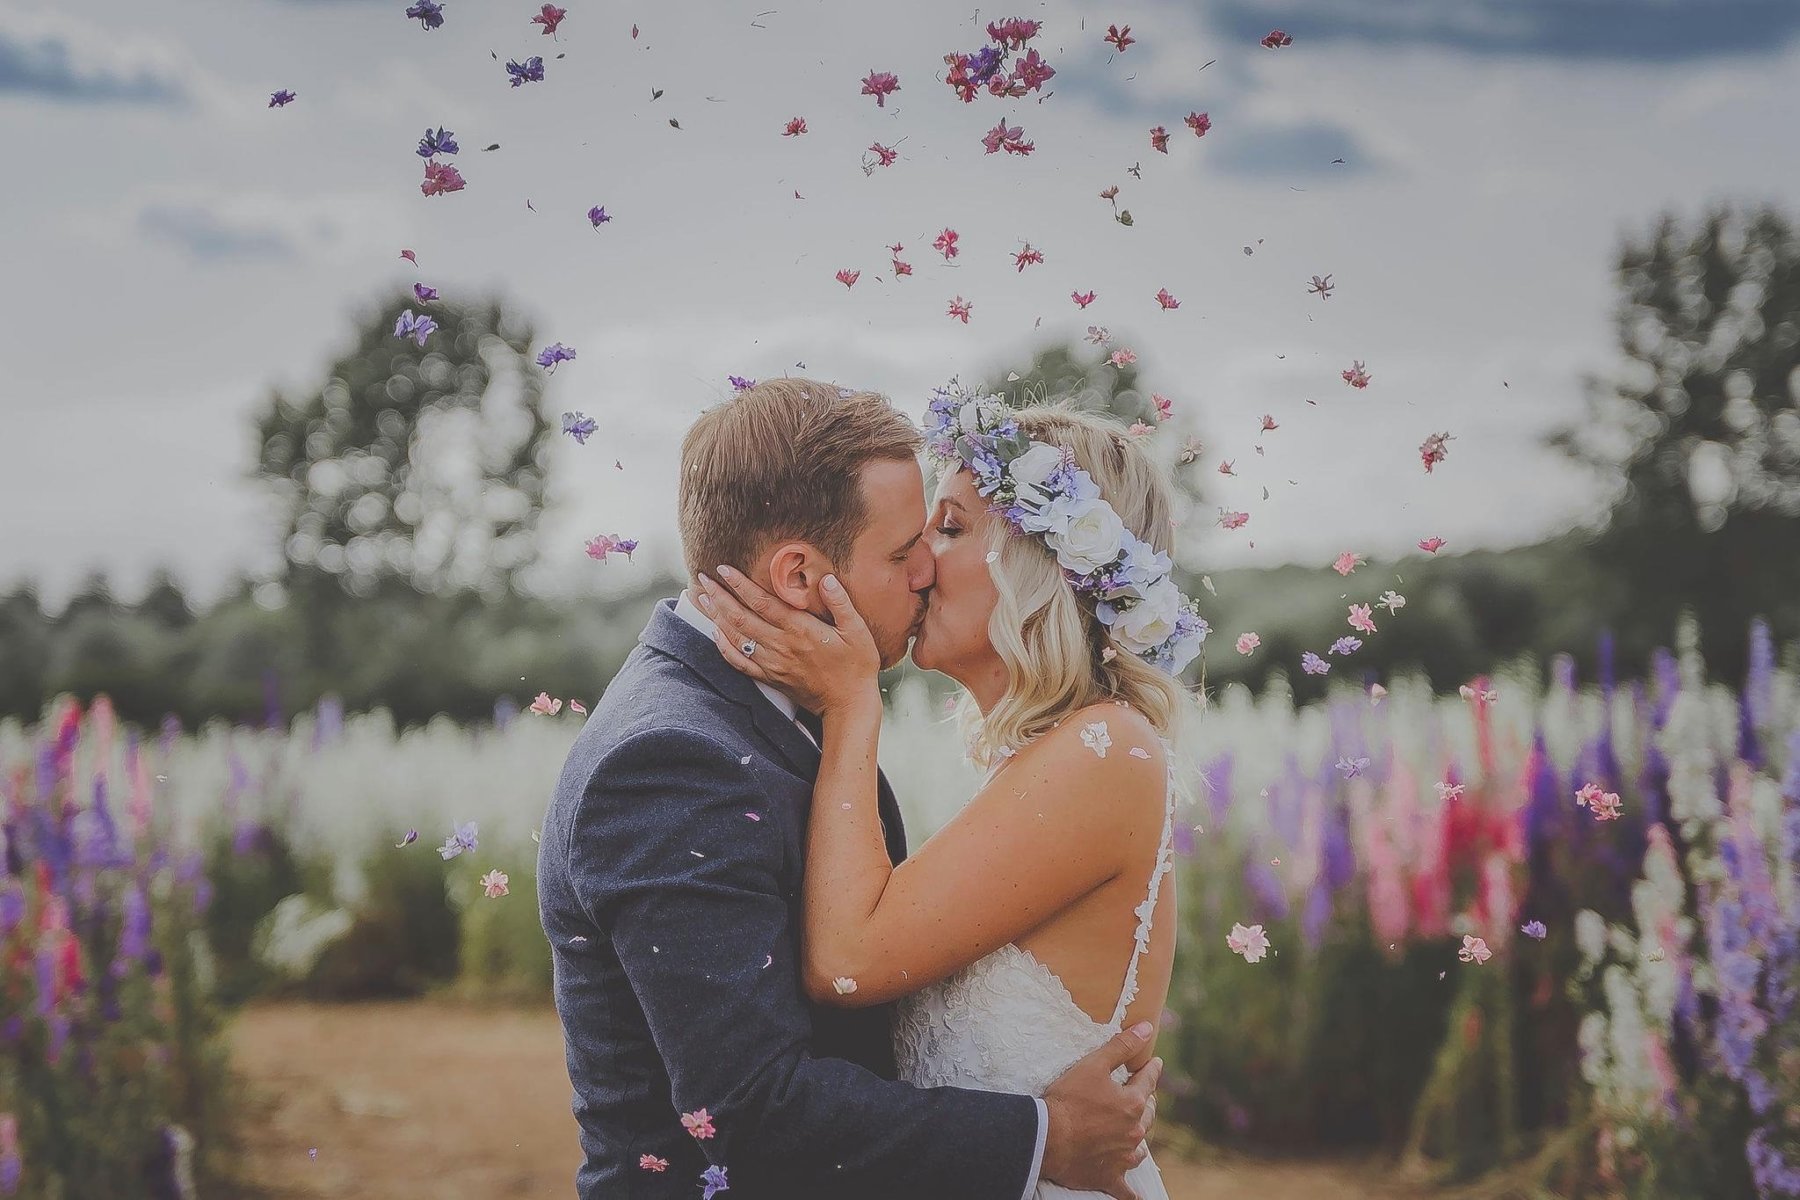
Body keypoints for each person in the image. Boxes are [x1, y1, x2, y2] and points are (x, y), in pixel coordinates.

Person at [537, 379, 1162, 1200]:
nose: (926, 568)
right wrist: (1042, 1137)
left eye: (947, 531)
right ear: (800, 575)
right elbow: (752, 1107)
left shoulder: (786, 723)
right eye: (907, 549)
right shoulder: (671, 757)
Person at [694, 387, 1204, 1200]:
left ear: (1046, 565)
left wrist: (853, 702)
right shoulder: (1055, 755)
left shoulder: (1106, 753)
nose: (921, 560)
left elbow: (850, 964)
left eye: (954, 527)